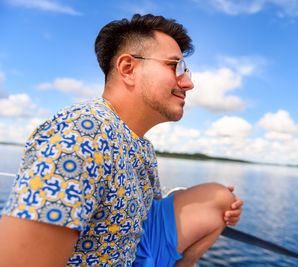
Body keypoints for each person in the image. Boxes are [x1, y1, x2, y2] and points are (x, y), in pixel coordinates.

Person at [0, 14, 243, 266]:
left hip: (130, 251)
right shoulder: (81, 135)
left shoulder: (138, 144)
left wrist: (199, 201)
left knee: (220, 197)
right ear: (128, 68)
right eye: (175, 66)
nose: (189, 83)